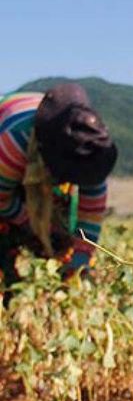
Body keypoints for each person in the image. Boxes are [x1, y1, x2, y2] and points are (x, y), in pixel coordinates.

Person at [0, 84, 117, 301]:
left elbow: (90, 212)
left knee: (61, 228)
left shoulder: (91, 147)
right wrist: (32, 225)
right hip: (6, 152)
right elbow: (2, 200)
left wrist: (79, 263)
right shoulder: (13, 141)